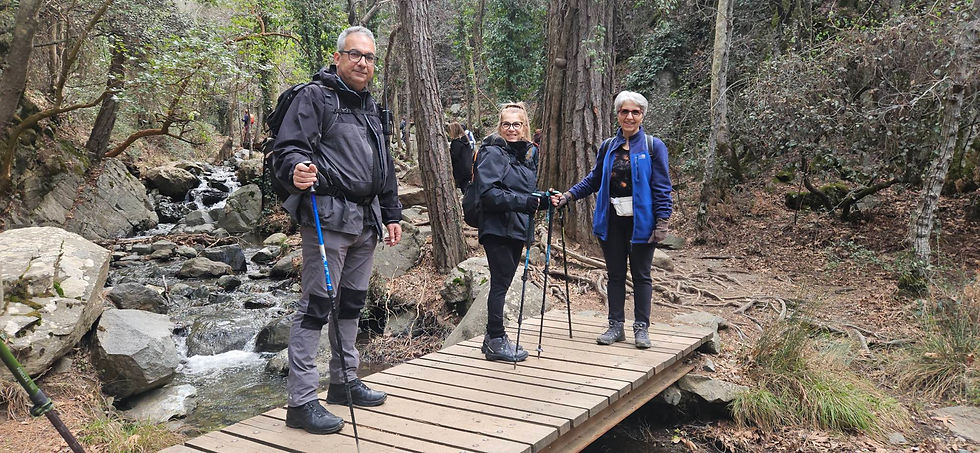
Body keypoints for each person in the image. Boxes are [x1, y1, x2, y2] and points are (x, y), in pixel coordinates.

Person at [272, 26, 402, 435]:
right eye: (355, 54)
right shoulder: (315, 97)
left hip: (366, 220)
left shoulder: (371, 107)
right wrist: (297, 169)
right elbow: (289, 146)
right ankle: (301, 401)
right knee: (315, 307)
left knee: (351, 305)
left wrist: (392, 212)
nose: (362, 62)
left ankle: (344, 381)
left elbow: (385, 168)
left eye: (369, 57)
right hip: (328, 217)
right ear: (338, 57)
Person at [551, 91, 672, 349]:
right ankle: (615, 326)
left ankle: (642, 328)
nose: (629, 116)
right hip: (612, 221)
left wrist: (662, 222)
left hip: (642, 223)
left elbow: (662, 186)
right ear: (617, 114)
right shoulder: (608, 147)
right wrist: (569, 195)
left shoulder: (653, 146)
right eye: (624, 111)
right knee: (615, 274)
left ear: (642, 116)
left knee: (641, 275)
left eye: (635, 112)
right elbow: (594, 179)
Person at [472, 102, 550, 362]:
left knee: (502, 282)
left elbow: (522, 192)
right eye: (506, 124)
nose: (512, 129)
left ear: (525, 126)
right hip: (497, 228)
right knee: (500, 284)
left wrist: (543, 199)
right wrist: (524, 202)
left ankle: (490, 339)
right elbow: (489, 193)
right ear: (500, 126)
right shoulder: (494, 153)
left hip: (515, 227)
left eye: (517, 124)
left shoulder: (525, 154)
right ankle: (496, 338)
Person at [447, 121, 473, 191]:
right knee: (467, 189)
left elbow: (454, 157)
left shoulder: (456, 143)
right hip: (468, 169)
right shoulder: (466, 140)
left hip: (460, 171)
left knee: (464, 189)